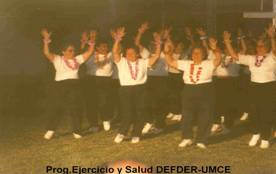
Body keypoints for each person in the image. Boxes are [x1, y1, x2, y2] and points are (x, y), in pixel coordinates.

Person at [223, 24, 276, 149]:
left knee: (266, 113)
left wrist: (272, 37)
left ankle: (265, 137)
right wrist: (227, 42)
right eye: (258, 46)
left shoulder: (272, 58)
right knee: (254, 112)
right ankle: (255, 133)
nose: (259, 48)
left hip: (269, 87)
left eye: (262, 46)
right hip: (254, 87)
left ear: (267, 47)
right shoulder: (252, 58)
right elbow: (235, 56)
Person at [164, 36, 221, 149]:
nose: (196, 55)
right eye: (194, 53)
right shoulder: (186, 63)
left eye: (199, 53)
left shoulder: (208, 64)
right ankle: (187, 138)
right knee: (186, 115)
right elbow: (170, 62)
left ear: (204, 55)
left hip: (205, 89)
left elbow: (218, 59)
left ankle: (201, 139)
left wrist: (215, 48)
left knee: (205, 115)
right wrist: (167, 51)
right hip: (189, 90)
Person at [41, 29, 96, 140]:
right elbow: (46, 53)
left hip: (74, 85)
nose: (73, 53)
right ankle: (50, 130)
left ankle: (76, 131)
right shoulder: (58, 59)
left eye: (73, 50)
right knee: (57, 107)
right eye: (70, 51)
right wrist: (46, 41)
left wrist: (92, 42)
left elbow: (89, 52)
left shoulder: (77, 59)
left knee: (75, 108)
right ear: (63, 52)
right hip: (60, 86)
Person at [111, 27, 161, 144]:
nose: (130, 55)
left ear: (137, 54)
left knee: (140, 111)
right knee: (127, 112)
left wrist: (159, 44)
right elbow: (115, 52)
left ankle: (136, 134)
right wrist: (117, 39)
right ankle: (122, 133)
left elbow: (156, 56)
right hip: (126, 90)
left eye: (133, 53)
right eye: (128, 53)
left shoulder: (143, 62)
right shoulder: (121, 62)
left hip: (141, 89)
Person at [134, 22, 168, 134]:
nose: (154, 44)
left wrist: (165, 37)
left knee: (159, 103)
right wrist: (140, 32)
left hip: (161, 80)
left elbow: (169, 46)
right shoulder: (146, 53)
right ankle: (148, 121)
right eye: (152, 43)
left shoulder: (164, 53)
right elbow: (137, 43)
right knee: (145, 103)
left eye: (156, 42)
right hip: (149, 80)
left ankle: (159, 125)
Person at [82, 32, 113, 132]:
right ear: (97, 48)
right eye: (102, 46)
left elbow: (119, 49)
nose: (105, 48)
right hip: (91, 80)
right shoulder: (91, 55)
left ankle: (106, 119)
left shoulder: (110, 55)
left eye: (106, 46)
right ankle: (93, 124)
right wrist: (90, 39)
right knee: (91, 103)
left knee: (104, 102)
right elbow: (82, 54)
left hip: (106, 81)